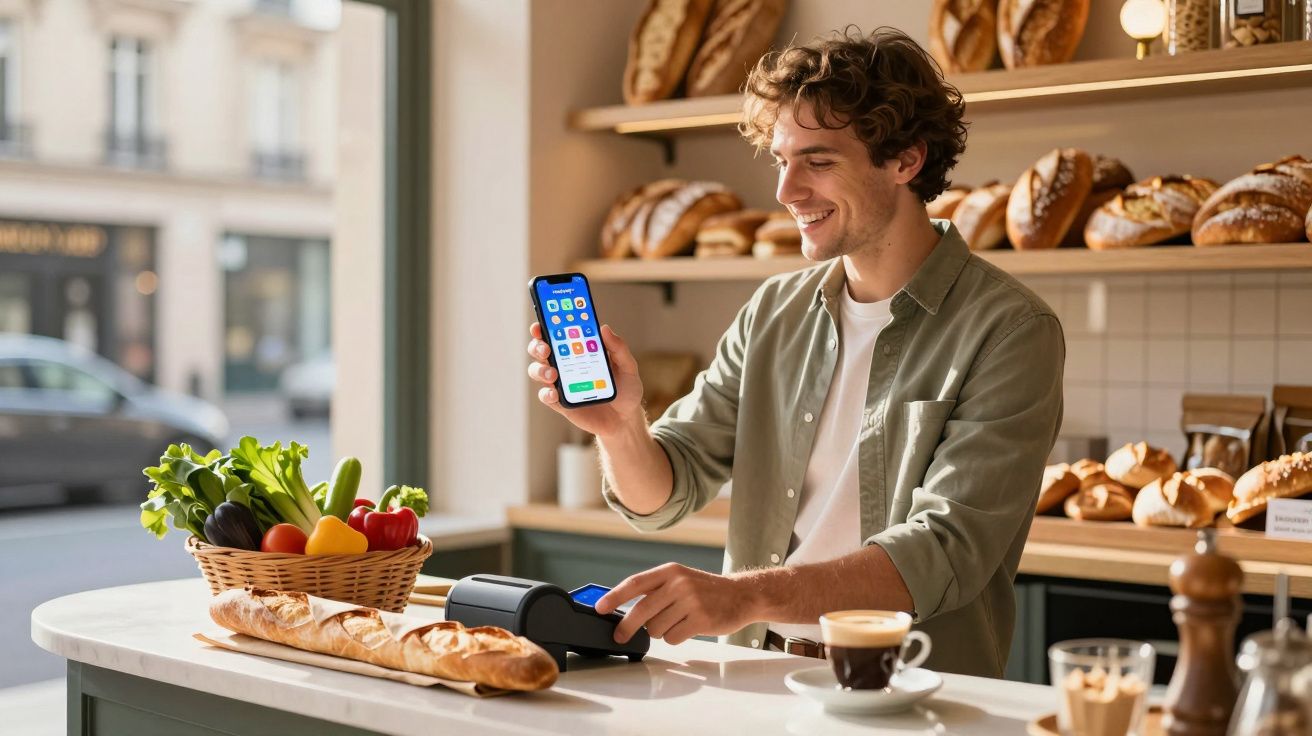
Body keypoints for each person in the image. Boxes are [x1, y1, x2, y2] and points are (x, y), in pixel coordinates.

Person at [524, 27, 1064, 678]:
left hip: (909, 692)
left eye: (818, 161)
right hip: (759, 679)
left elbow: (944, 551)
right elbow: (662, 494)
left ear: (905, 161)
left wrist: (742, 595)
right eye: (781, 160)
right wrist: (618, 427)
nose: (785, 191)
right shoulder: (775, 312)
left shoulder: (1009, 329)